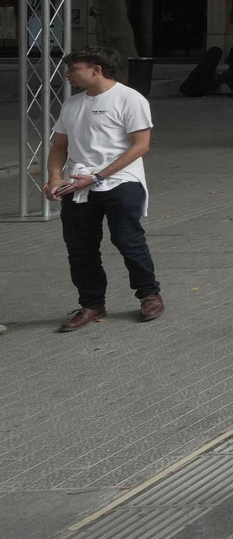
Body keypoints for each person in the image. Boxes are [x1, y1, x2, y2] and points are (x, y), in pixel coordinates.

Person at [47, 47, 161, 332]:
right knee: (80, 249)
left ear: (96, 69)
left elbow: (141, 145)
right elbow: (59, 146)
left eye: (74, 69)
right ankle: (92, 304)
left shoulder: (129, 99)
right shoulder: (72, 104)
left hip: (121, 182)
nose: (68, 74)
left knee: (127, 241)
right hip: (78, 185)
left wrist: (98, 176)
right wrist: (54, 178)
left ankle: (149, 294)